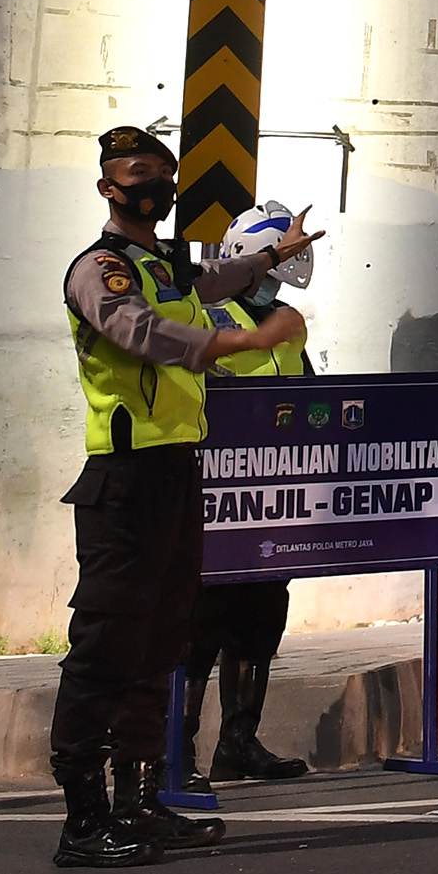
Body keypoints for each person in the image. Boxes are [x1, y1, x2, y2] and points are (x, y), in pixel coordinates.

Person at [51, 127, 313, 869]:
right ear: (109, 187)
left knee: (160, 645)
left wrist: (272, 257)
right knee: (105, 647)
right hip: (123, 479)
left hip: (175, 475)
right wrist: (246, 342)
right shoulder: (99, 269)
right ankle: (83, 817)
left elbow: (213, 284)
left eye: (164, 176)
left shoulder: (163, 262)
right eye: (139, 176)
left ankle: (138, 801)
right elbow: (144, 333)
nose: (155, 188)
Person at [174, 203, 317, 789]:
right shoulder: (210, 315)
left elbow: (309, 396)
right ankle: (175, 750)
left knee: (262, 619)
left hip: (273, 507)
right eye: (275, 270)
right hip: (214, 506)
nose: (280, 287)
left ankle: (237, 742)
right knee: (199, 628)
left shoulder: (290, 321)